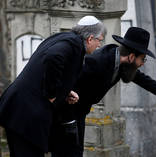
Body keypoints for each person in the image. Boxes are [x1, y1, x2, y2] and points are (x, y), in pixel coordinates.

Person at [49, 27, 156, 157]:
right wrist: (68, 121)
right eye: (143, 59)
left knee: (75, 153)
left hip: (78, 112)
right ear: (131, 57)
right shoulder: (97, 62)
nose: (143, 63)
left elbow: (142, 79)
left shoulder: (120, 62)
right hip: (64, 114)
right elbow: (66, 85)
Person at [0, 15, 106, 157]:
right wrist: (52, 94)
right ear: (90, 38)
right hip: (26, 114)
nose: (99, 45)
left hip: (18, 108)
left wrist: (65, 91)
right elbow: (53, 57)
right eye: (100, 40)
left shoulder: (63, 38)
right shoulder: (74, 44)